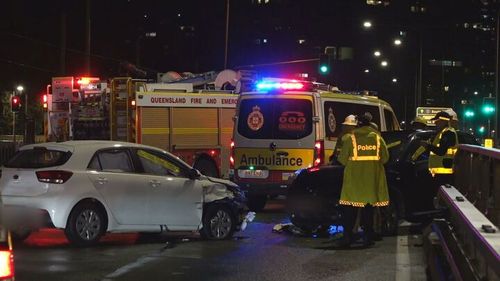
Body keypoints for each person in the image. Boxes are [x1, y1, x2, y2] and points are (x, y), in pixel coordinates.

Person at [334, 114, 390, 248]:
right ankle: (368, 238)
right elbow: (385, 159)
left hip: (353, 181)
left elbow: (341, 160)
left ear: (358, 124)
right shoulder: (378, 139)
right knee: (368, 211)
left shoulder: (351, 138)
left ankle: (347, 237)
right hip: (371, 180)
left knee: (350, 211)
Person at [420, 111, 458, 183]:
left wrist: (427, 146)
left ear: (443, 121)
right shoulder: (441, 133)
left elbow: (441, 151)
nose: (435, 123)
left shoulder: (448, 133)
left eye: (437, 121)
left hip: (444, 173)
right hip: (438, 172)